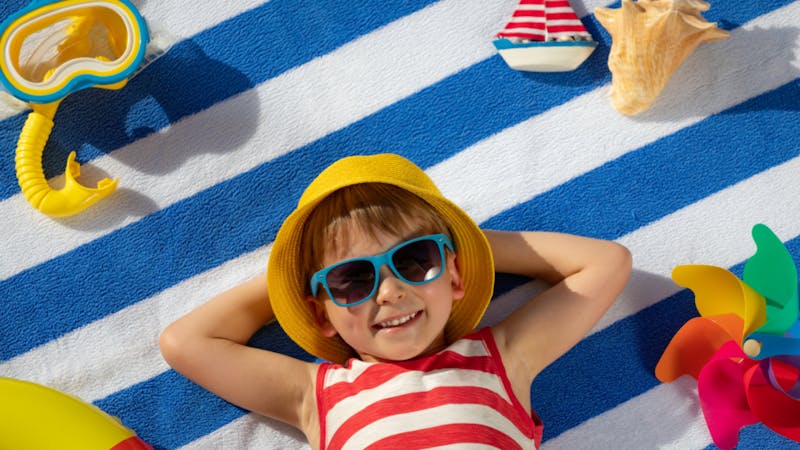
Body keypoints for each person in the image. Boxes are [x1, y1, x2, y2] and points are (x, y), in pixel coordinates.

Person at [159, 153, 632, 449]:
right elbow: (186, 341)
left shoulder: (502, 359)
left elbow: (606, 263)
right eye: (351, 279)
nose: (389, 291)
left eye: (414, 260)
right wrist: (292, 279)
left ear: (455, 275)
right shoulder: (316, 396)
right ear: (319, 313)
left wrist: (461, 246)